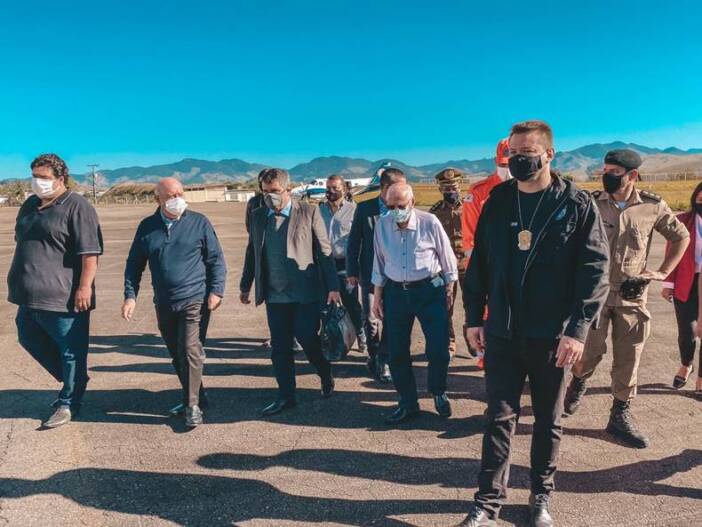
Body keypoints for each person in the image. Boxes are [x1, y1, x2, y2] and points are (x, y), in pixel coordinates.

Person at [455, 120, 609, 527]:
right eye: (513, 154)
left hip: (552, 336)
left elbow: (595, 272)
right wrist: (473, 318)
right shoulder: (498, 202)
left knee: (548, 421)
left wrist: (577, 330)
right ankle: (488, 501)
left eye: (527, 153)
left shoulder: (576, 204)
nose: (518, 160)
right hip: (503, 332)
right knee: (498, 419)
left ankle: (540, 496)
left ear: (549, 154)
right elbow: (479, 265)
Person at [564, 149, 690, 447]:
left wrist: (662, 271)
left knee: (629, 357)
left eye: (614, 172)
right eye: (605, 170)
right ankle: (578, 382)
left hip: (632, 296)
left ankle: (620, 413)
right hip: (594, 295)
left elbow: (680, 236)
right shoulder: (590, 203)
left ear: (632, 175)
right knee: (587, 353)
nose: (607, 176)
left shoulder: (652, 206)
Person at [8, 153, 103, 428]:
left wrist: (84, 287)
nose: (38, 182)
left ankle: (69, 402)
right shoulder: (30, 205)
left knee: (71, 351)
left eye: (44, 177)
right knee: (28, 338)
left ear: (61, 179)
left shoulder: (78, 207)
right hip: (28, 295)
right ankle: (76, 380)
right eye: (34, 176)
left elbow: (90, 253)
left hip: (64, 297)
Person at [122, 177, 227, 428]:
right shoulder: (147, 227)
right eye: (171, 196)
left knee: (190, 349)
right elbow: (134, 264)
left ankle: (191, 406)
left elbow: (215, 259)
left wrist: (216, 291)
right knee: (177, 353)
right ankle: (197, 395)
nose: (178, 199)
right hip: (165, 301)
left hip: (195, 298)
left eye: (180, 193)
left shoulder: (199, 222)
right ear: (158, 198)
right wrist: (130, 295)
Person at [239, 168, 340, 416]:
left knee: (308, 339)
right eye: (265, 192)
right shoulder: (258, 215)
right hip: (275, 294)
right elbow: (252, 251)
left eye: (274, 191)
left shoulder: (308, 211)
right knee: (280, 348)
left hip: (305, 292)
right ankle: (286, 396)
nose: (269, 197)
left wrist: (333, 287)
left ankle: (324, 371)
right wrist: (245, 285)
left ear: (288, 189)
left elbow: (324, 251)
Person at [372, 181, 458, 424]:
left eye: (401, 205)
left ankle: (438, 391)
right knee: (397, 352)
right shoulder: (382, 225)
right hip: (396, 293)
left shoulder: (429, 222)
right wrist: (377, 296)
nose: (396, 211)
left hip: (429, 290)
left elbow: (447, 257)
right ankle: (408, 402)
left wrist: (449, 289)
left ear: (412, 202)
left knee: (438, 349)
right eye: (391, 206)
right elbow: (379, 261)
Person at [346, 167, 407, 383]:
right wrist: (352, 271)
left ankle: (385, 358)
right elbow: (354, 241)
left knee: (392, 318)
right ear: (385, 187)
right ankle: (373, 354)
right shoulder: (365, 209)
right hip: (370, 274)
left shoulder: (404, 206)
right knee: (370, 318)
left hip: (396, 275)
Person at [662, 182, 702, 399]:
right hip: (687, 281)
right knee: (687, 331)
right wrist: (668, 284)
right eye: (700, 199)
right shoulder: (683, 221)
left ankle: (701, 378)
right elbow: (672, 254)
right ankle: (686, 364)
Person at [319, 174, 367, 352]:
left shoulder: (354, 210)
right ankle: (329, 336)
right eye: (328, 188)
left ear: (344, 190)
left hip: (346, 263)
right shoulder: (319, 210)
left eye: (335, 188)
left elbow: (360, 238)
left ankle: (361, 334)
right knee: (325, 302)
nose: (330, 191)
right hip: (325, 263)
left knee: (350, 301)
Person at [429, 168, 469, 357]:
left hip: (468, 264)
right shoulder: (435, 212)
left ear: (460, 187)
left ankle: (473, 340)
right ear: (440, 189)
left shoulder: (469, 207)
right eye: (446, 188)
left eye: (454, 187)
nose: (451, 191)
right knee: (446, 305)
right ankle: (449, 342)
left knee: (473, 304)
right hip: (446, 266)